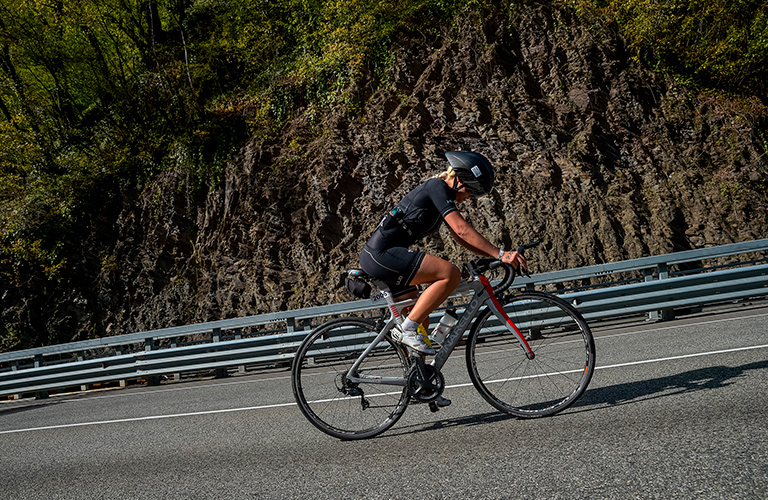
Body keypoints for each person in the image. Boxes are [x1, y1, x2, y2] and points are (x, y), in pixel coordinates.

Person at [360, 150, 527, 357]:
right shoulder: (436, 186)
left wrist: (493, 256)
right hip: (381, 255)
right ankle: (407, 330)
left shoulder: (439, 194)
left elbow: (460, 238)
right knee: (450, 273)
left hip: (386, 256)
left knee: (420, 315)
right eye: (471, 191)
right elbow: (461, 229)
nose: (468, 198)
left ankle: (417, 378)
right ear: (461, 179)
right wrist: (502, 254)